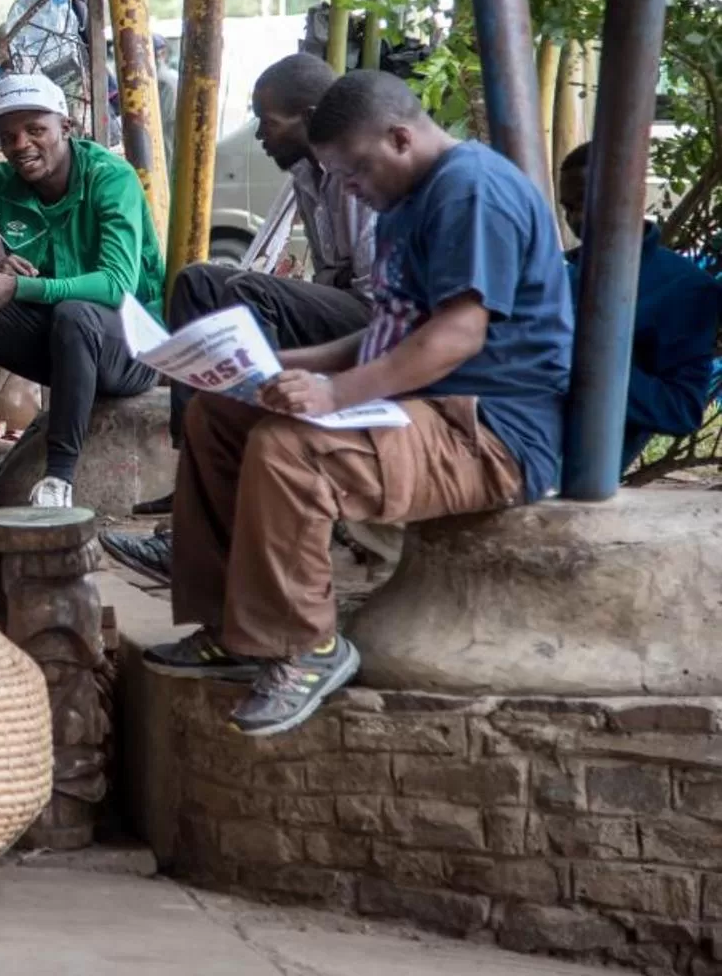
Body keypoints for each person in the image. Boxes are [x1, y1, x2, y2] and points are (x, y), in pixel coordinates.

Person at [153, 71, 573, 737]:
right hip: (417, 412)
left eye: (353, 172)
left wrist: (333, 394)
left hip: (488, 432)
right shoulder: (409, 195)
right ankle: (233, 628)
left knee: (289, 448)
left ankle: (305, 644)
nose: (349, 190)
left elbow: (456, 335)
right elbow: (390, 329)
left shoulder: (471, 191)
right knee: (218, 415)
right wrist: (279, 366)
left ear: (400, 137)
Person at [103, 52, 377, 581]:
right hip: (343, 303)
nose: (259, 137)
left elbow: (365, 287)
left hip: (372, 320)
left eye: (268, 122)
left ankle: (242, 465)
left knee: (250, 292)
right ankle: (194, 464)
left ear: (313, 115)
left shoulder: (357, 175)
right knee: (198, 280)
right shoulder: (306, 174)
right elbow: (331, 275)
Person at [0, 72, 163, 510]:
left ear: (66, 129)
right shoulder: (0, 184)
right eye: (9, 135)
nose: (22, 144)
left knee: (76, 313)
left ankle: (58, 480)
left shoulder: (110, 178)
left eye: (37, 130)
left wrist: (20, 286)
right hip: (61, 343)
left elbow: (116, 285)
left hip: (132, 346)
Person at [557, 141, 719, 471]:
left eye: (586, 203)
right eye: (568, 207)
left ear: (629, 197)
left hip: (572, 459)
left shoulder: (682, 288)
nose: (576, 218)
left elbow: (680, 409)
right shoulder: (565, 274)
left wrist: (578, 359)